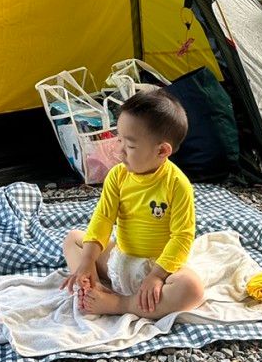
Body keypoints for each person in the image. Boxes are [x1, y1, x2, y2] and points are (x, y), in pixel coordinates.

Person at [60, 89, 204, 319]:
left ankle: (121, 303)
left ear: (162, 150)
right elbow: (103, 218)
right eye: (119, 140)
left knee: (192, 289)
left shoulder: (177, 185)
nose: (119, 151)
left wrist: (156, 276)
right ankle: (92, 284)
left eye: (130, 146)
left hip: (157, 269)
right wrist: (87, 261)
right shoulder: (117, 176)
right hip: (120, 260)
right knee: (73, 239)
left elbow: (182, 237)